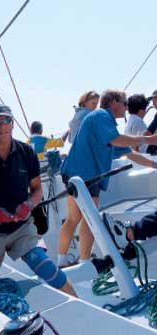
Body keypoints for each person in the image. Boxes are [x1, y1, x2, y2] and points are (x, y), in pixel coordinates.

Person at [0, 104, 76, 296]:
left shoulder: (27, 153)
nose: (2, 126)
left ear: (12, 123)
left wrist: (28, 205)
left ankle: (76, 300)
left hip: (20, 227)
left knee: (45, 266)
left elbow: (37, 190)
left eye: (6, 120)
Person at [58, 89, 157, 268]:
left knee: (78, 218)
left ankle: (66, 261)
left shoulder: (105, 122)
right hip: (82, 175)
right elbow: (116, 140)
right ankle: (83, 262)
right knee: (88, 218)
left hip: (83, 175)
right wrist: (148, 140)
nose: (127, 107)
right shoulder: (101, 116)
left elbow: (129, 154)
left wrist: (154, 165)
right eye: (124, 103)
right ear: (112, 102)